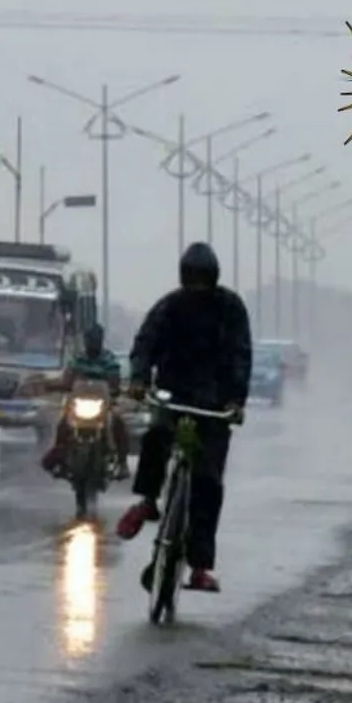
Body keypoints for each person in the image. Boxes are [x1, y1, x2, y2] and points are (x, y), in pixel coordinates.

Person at [116, 242, 252, 594]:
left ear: (213, 279)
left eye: (201, 282)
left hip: (214, 407)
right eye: (191, 281)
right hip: (173, 396)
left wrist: (236, 400)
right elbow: (145, 342)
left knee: (208, 485)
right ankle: (148, 502)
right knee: (157, 437)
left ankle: (200, 567)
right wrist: (139, 378)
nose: (196, 289)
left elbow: (241, 355)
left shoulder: (231, 309)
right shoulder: (170, 306)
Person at [39, 322, 131, 480]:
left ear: (101, 341)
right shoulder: (77, 359)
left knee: (118, 422)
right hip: (78, 404)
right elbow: (68, 378)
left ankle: (122, 463)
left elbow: (114, 381)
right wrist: (55, 385)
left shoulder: (109, 360)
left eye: (95, 339)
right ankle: (61, 458)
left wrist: (116, 389)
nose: (92, 343)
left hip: (103, 405)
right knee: (63, 424)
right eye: (89, 339)